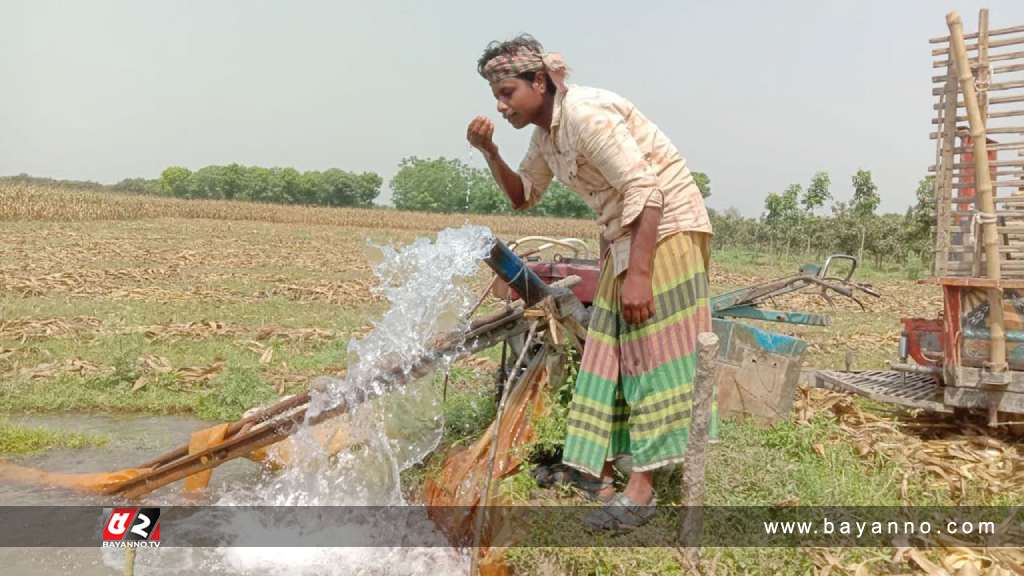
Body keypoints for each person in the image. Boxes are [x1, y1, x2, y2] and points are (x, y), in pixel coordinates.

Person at [467, 35, 712, 530]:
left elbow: (648, 190)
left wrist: (639, 275)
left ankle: (641, 491)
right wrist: (491, 151)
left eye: (508, 91)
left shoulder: (586, 116)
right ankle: (595, 470)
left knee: (653, 355)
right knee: (609, 351)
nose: (501, 104)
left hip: (668, 229)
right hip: (625, 235)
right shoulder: (546, 137)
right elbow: (524, 196)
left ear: (540, 82)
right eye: (496, 95)